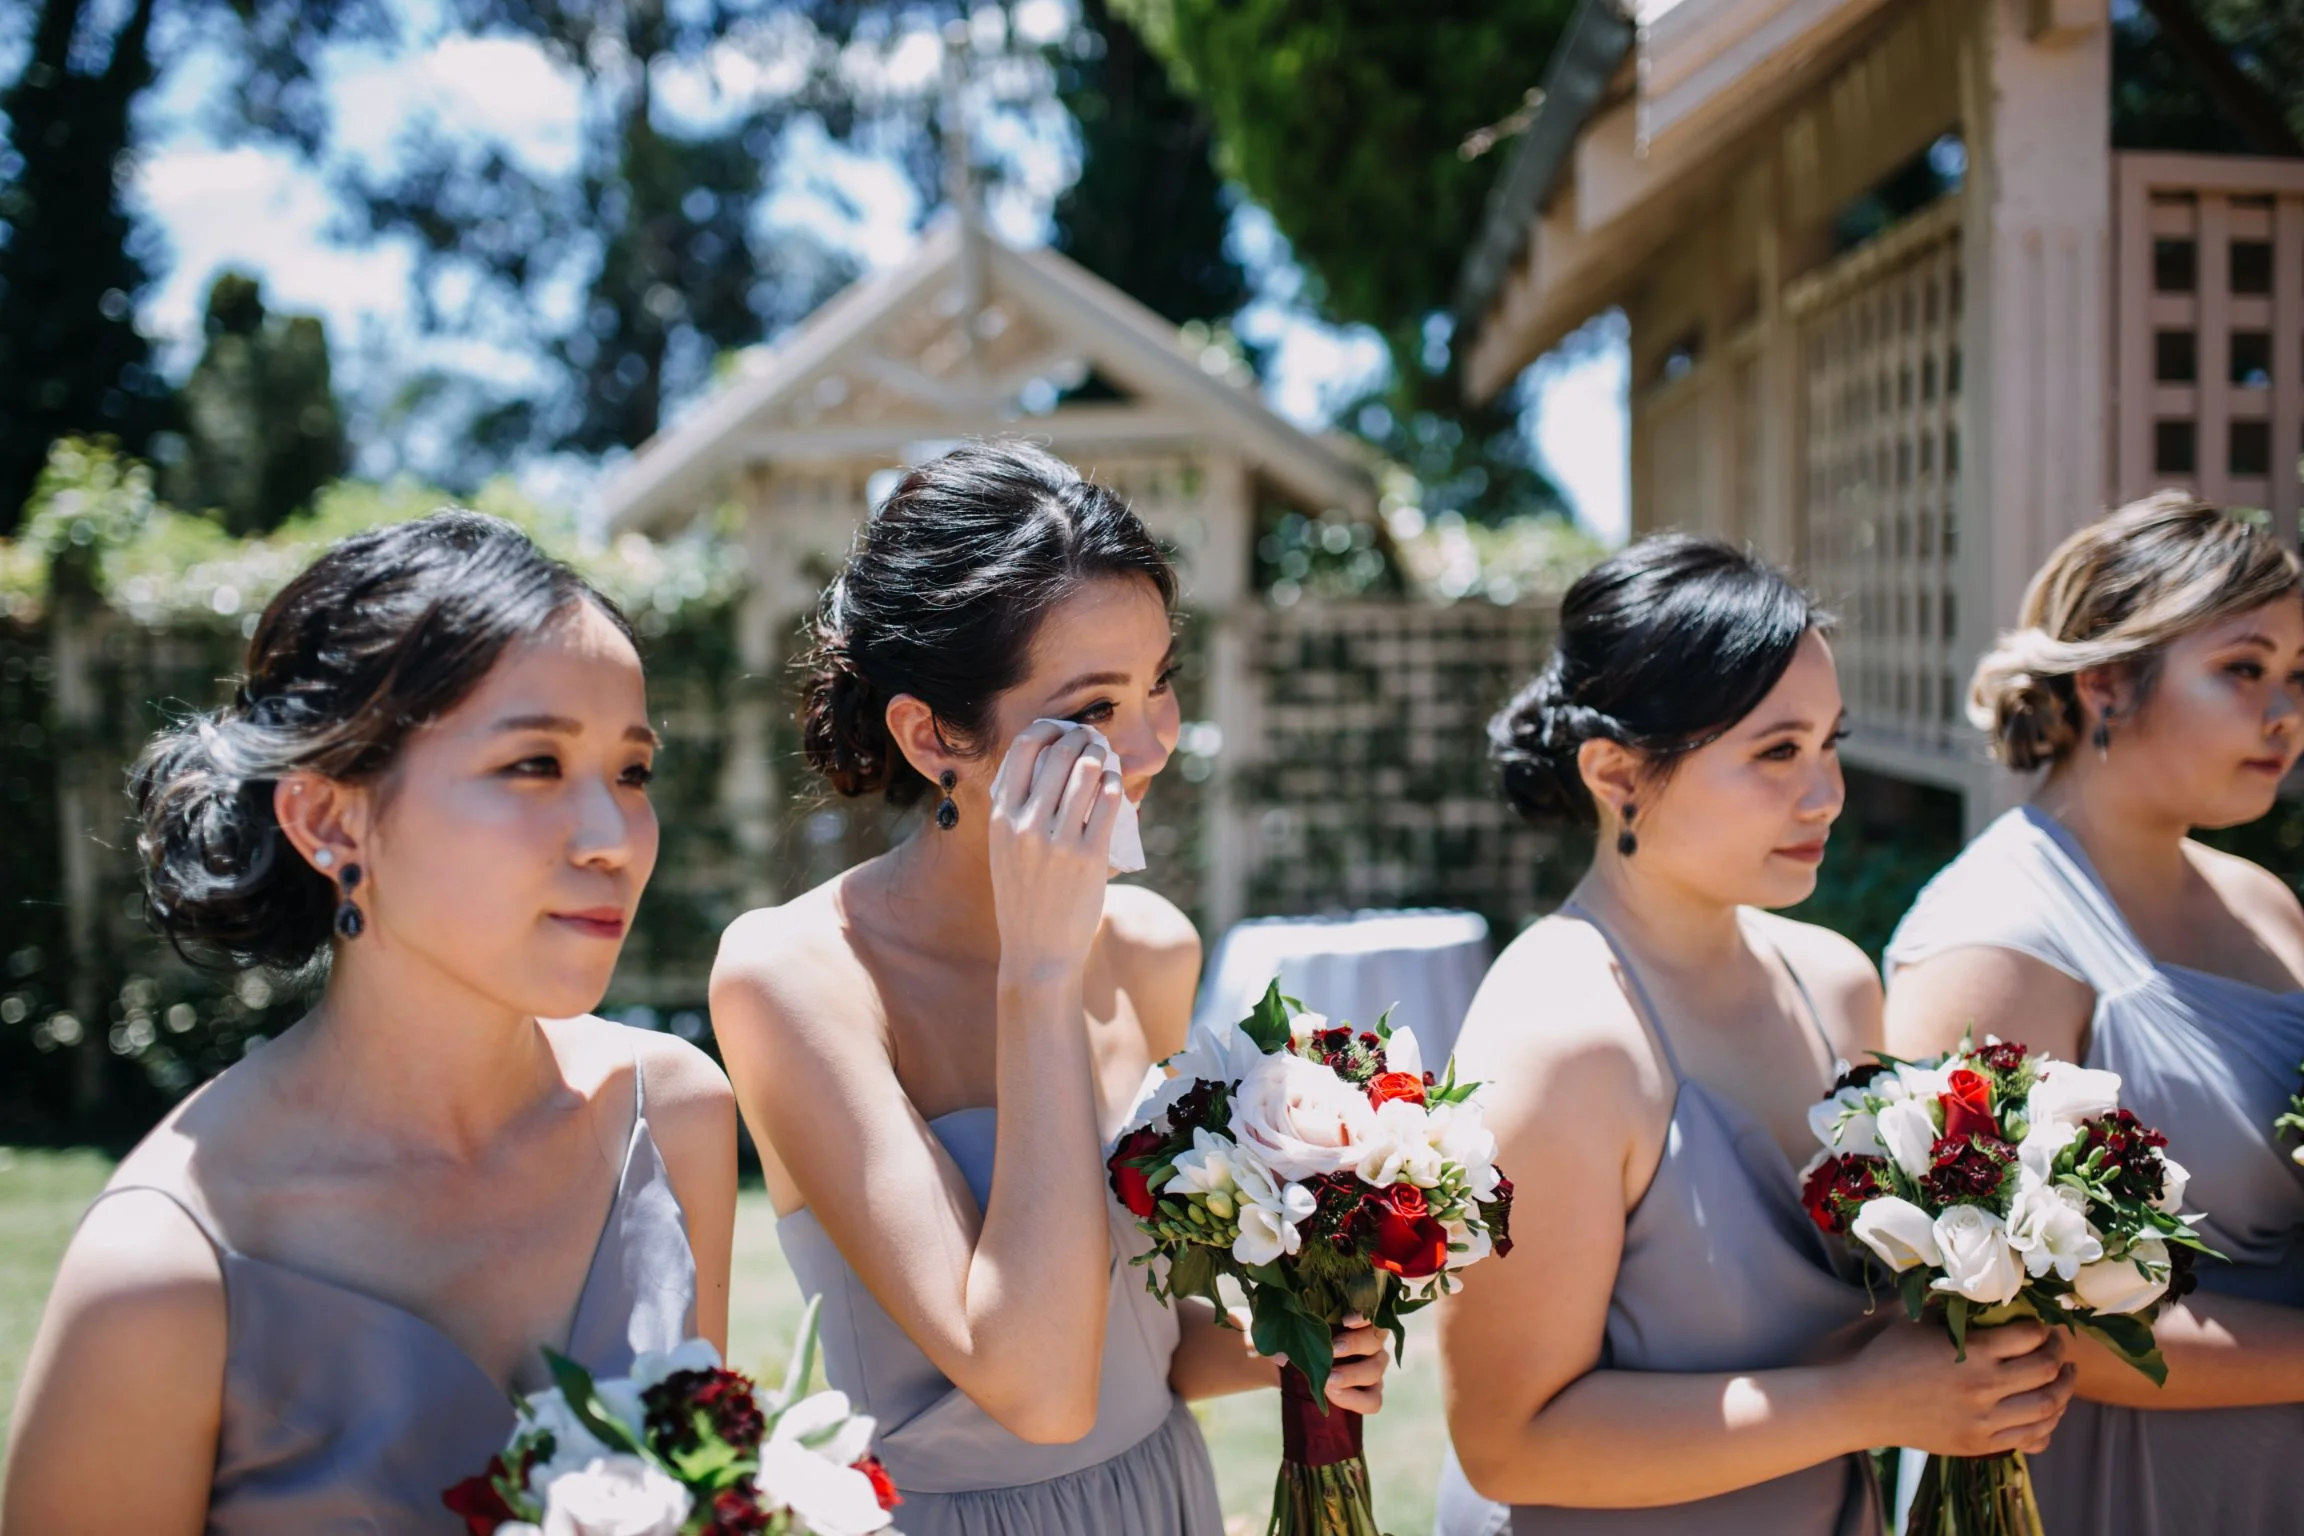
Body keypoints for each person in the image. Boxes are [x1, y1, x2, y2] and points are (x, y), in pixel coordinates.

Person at [2, 512, 737, 1534]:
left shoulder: (670, 1120)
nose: (613, 837)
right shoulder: (164, 1271)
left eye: (632, 772)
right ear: (328, 818)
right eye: (534, 764)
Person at [709, 441, 1386, 1536]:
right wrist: (1039, 974)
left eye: (1160, 682)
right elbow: (1036, 1389)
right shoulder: (795, 977)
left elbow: (1136, 1342)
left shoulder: (1153, 949)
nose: (1153, 744)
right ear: (933, 734)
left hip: (1164, 1500)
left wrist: (1294, 1337)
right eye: (1096, 708)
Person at [1435, 535, 2073, 1535]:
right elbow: (1506, 1443)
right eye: (1777, 752)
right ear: (1617, 774)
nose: (1826, 794)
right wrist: (1865, 1403)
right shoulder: (1561, 1041)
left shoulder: (1836, 983)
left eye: (1829, 744)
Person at [1884, 494, 2304, 1534]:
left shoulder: (2265, 906)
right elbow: (2003, 1321)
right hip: (2124, 1492)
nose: (2285, 712)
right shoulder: (1995, 937)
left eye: (2299, 674)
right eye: (2243, 669)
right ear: (2107, 680)